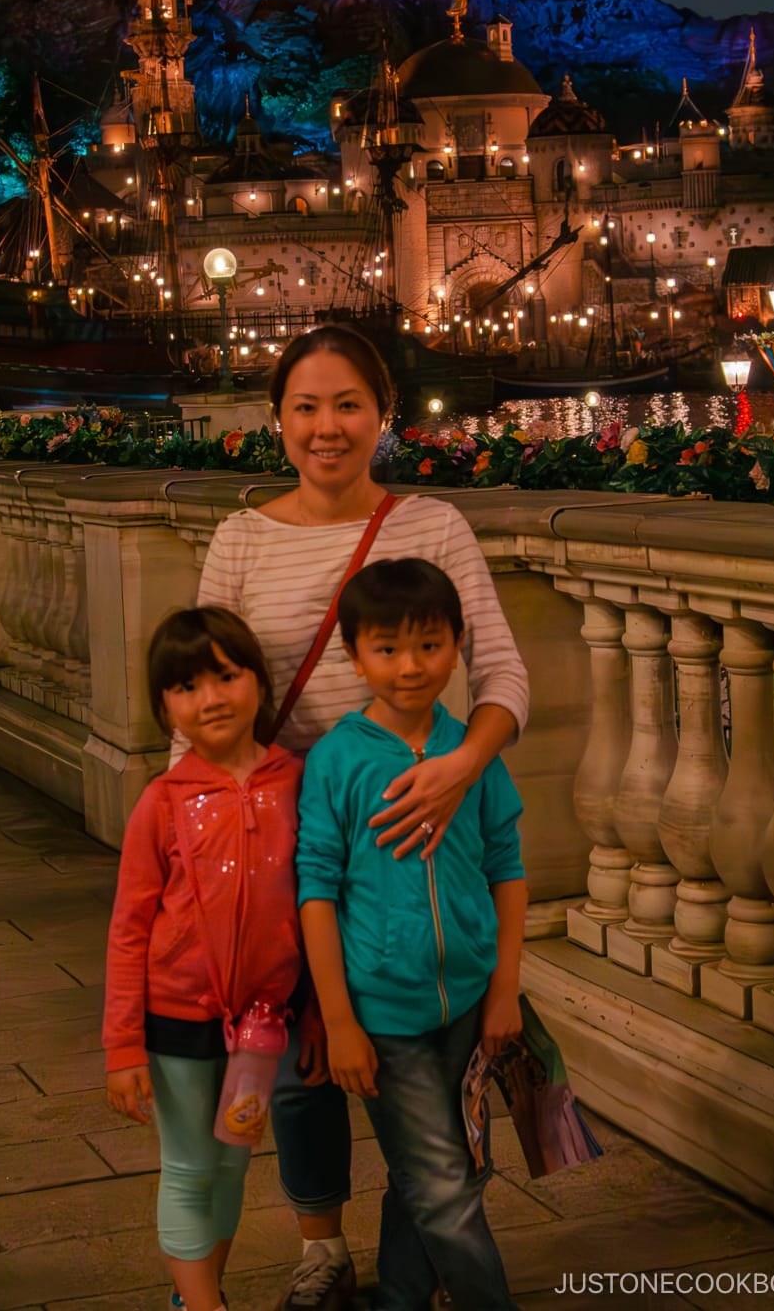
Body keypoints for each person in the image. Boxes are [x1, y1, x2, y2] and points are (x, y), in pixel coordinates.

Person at [195, 325, 529, 1311]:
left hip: (413, 824)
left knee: (418, 1058)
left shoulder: (431, 526)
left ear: (383, 415)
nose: (326, 427)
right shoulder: (240, 538)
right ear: (277, 420)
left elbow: (503, 670)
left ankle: (407, 1261)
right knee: (301, 1058)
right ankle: (322, 1246)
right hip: (283, 837)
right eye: (306, 406)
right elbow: (202, 698)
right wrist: (197, 841)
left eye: (348, 405)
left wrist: (463, 766)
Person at [297, 558, 527, 1310]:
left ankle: (400, 1300)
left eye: (429, 645)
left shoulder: (473, 755)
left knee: (432, 1173)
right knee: (444, 1184)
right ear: (353, 654)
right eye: (387, 649)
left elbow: (508, 869)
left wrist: (504, 994)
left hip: (466, 1003)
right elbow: (317, 892)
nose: (410, 667)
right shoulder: (338, 760)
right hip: (380, 1016)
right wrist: (338, 1021)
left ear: (458, 644)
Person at [104, 606, 308, 1311]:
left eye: (226, 676)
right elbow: (129, 929)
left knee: (231, 1167)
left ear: (259, 681)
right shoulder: (162, 802)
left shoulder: (296, 782)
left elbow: (314, 909)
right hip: (176, 1021)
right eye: (187, 686)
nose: (211, 698)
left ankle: (195, 1296)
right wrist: (122, 1045)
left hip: (263, 1027)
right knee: (190, 1168)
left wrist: (312, 1017)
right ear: (164, 706)